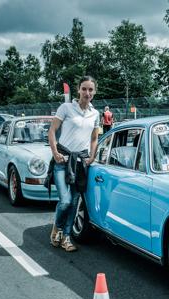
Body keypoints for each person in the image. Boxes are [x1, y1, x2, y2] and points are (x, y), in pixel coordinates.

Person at [47, 76, 100, 252]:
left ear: (94, 92)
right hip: (62, 160)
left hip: (79, 164)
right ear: (78, 89)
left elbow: (94, 138)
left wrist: (92, 157)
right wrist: (55, 152)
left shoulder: (96, 113)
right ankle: (57, 228)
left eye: (90, 90)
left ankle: (66, 238)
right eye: (84, 89)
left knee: (75, 201)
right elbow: (52, 131)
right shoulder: (66, 108)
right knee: (65, 201)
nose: (87, 93)